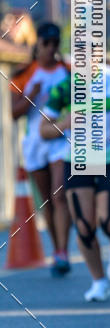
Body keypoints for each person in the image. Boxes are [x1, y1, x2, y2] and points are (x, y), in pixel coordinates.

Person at [40, 62, 110, 301]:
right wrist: (65, 124)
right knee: (85, 226)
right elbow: (43, 130)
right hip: (77, 160)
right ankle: (99, 282)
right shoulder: (65, 88)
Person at [10, 22, 71, 276]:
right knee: (46, 199)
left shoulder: (67, 71)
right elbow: (13, 114)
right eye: (46, 44)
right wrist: (30, 95)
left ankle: (63, 252)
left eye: (55, 44)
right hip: (34, 142)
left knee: (59, 195)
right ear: (38, 45)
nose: (51, 49)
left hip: (60, 139)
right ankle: (56, 248)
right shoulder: (25, 74)